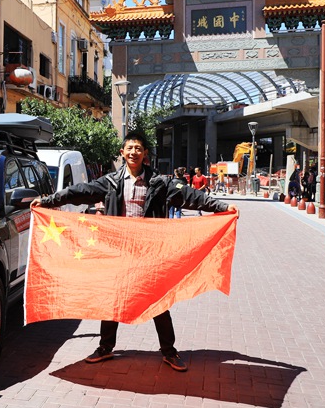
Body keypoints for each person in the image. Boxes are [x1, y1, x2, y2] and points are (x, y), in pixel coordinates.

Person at [30, 131, 238, 372]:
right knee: (112, 299)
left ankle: (169, 352)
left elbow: (190, 196)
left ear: (145, 153)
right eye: (129, 148)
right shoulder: (109, 182)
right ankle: (105, 348)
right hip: (118, 251)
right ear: (122, 153)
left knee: (157, 300)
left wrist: (221, 207)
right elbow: (80, 191)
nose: (133, 152)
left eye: (138, 148)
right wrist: (48, 201)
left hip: (149, 251)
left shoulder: (160, 182)